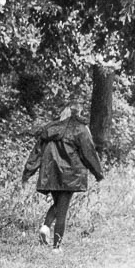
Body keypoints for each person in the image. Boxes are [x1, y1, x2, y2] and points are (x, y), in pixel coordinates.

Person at [22, 105, 104, 250]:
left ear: (63, 113)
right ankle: (56, 247)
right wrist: (98, 173)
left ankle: (45, 227)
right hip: (71, 174)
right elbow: (89, 152)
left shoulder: (50, 129)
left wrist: (27, 172)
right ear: (78, 113)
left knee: (58, 204)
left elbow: (37, 152)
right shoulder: (81, 129)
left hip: (50, 172)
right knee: (62, 210)